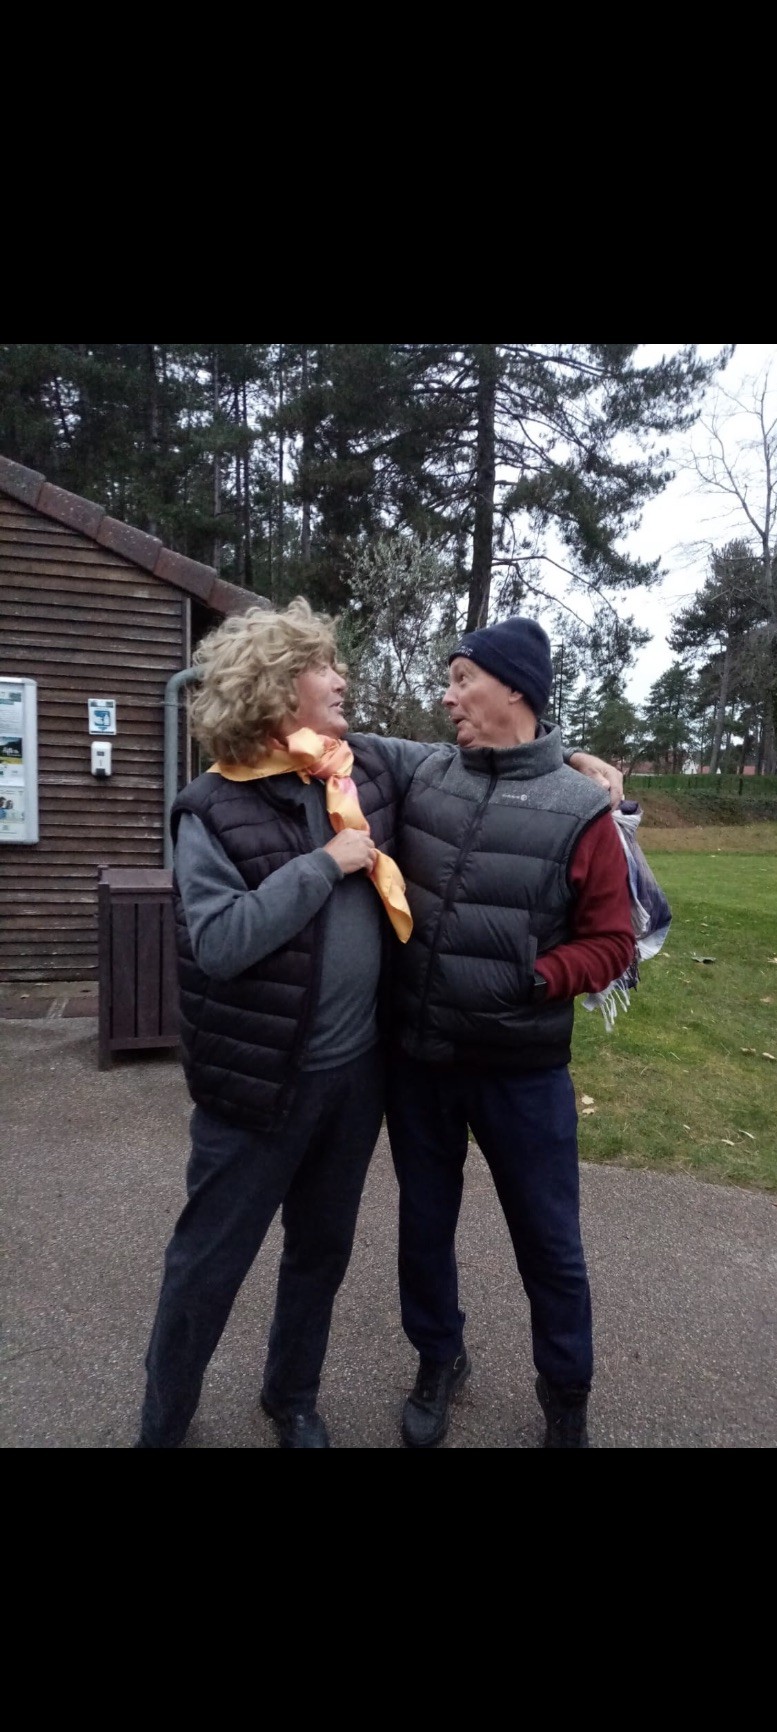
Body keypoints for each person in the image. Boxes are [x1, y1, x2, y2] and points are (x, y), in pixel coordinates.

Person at [134, 598, 621, 1449]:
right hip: (275, 1079)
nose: (346, 678)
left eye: (462, 678)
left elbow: (503, 773)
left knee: (334, 1253)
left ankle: (297, 1399)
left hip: (394, 1073)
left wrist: (579, 760)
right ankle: (166, 1423)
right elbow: (219, 942)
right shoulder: (229, 803)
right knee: (214, 1263)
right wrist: (325, 865)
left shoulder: (366, 774)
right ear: (282, 686)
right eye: (328, 667)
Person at [385, 615, 636, 1449]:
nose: (447, 696)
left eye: (461, 679)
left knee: (550, 1246)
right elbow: (332, 740)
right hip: (421, 1063)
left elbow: (613, 943)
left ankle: (566, 1398)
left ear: (515, 689)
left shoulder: (580, 812)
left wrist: (532, 980)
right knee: (423, 1228)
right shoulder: (426, 774)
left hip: (523, 1072)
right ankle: (438, 1359)